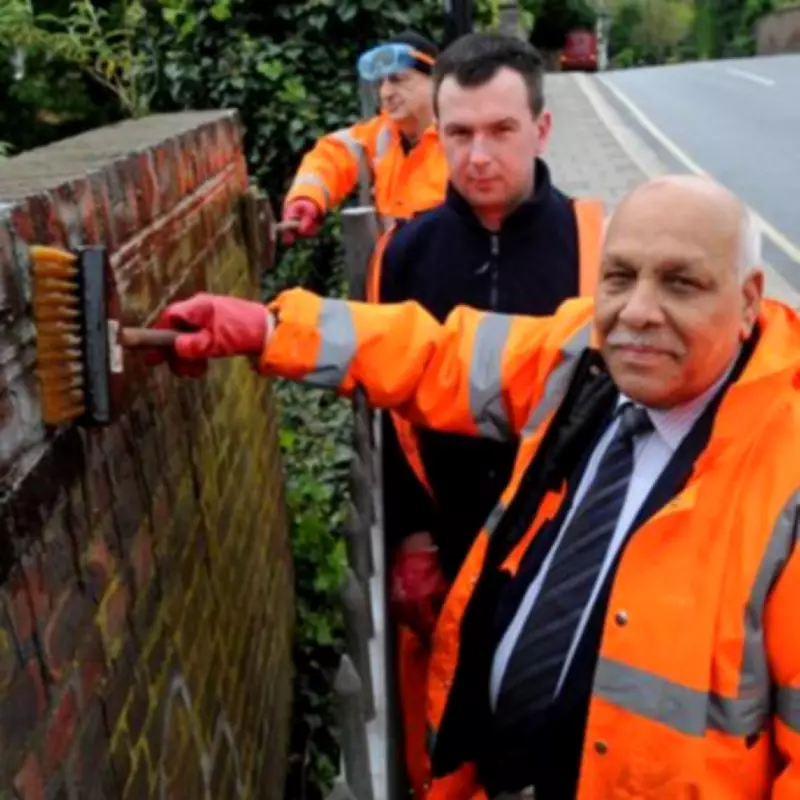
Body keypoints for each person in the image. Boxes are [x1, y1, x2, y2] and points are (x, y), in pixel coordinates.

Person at [149, 173, 800, 798]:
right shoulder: (584, 354)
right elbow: (436, 354)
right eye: (619, 276)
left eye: (681, 283)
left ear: (747, 300)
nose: (638, 310)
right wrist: (270, 329)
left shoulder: (785, 481)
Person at [365, 32, 604, 796]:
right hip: (451, 537)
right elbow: (390, 405)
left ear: (541, 128)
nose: (477, 156)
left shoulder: (597, 244)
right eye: (459, 133)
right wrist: (410, 533)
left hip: (564, 547)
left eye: (501, 131)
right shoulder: (404, 253)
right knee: (448, 744)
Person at [281, 30, 448, 243]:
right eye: (381, 83)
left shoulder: (462, 140)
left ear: (435, 81)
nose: (386, 93)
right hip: (392, 272)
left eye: (397, 79)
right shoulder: (382, 133)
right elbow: (331, 154)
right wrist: (307, 197)